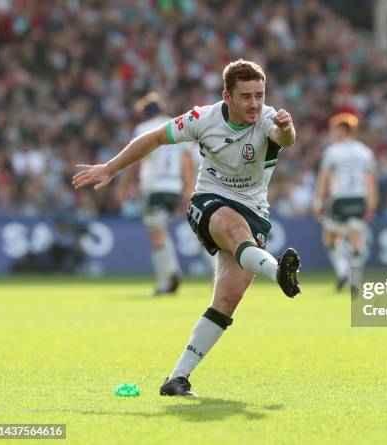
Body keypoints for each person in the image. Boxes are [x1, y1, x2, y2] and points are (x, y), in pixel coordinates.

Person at [72, 59, 301, 397]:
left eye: (259, 95)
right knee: (231, 226)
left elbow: (286, 138)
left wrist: (287, 127)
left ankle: (177, 379)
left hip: (255, 209)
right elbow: (153, 138)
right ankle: (277, 270)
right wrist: (110, 167)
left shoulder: (268, 118)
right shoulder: (202, 118)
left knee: (227, 299)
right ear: (227, 96)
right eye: (246, 96)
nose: (255, 103)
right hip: (209, 201)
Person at [118, 92, 195, 296]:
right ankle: (171, 271)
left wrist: (124, 186)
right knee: (161, 229)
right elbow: (186, 161)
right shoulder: (177, 125)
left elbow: (135, 159)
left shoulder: (143, 129)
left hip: (154, 187)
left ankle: (166, 278)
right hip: (175, 187)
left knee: (156, 235)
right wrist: (188, 188)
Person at [312, 112, 378, 291]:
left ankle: (342, 272)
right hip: (359, 198)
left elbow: (323, 179)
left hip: (339, 199)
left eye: (334, 129)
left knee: (330, 237)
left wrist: (317, 202)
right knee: (357, 238)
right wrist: (371, 204)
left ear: (342, 130)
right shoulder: (365, 152)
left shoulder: (332, 152)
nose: (332, 133)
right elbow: (371, 181)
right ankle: (355, 280)